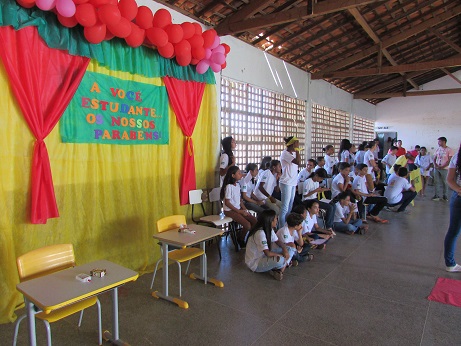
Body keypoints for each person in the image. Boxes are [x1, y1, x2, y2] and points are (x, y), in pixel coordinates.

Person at [245, 210, 295, 280]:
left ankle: (280, 270)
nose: (277, 221)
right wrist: (282, 255)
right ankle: (285, 263)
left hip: (263, 255)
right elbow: (268, 253)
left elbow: (277, 241)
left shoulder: (269, 229)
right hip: (255, 262)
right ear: (270, 221)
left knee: (290, 248)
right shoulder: (260, 233)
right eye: (275, 219)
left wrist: (284, 249)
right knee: (280, 260)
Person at [221, 166, 257, 247]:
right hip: (229, 211)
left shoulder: (237, 185)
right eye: (239, 173)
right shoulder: (229, 186)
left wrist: (244, 209)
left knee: (254, 221)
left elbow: (240, 200)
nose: (241, 174)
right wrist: (239, 211)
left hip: (238, 209)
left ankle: (248, 239)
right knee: (247, 225)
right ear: (233, 176)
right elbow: (227, 203)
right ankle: (241, 238)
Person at [443, 143, 461, 272]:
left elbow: (450, 180)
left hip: (458, 195)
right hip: (459, 196)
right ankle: (450, 264)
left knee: (453, 231)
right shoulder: (457, 157)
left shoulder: (457, 156)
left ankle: (450, 264)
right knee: (453, 231)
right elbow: (449, 179)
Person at [279, 136, 301, 228]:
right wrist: (297, 150)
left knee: (290, 205)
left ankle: (288, 225)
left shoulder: (293, 153)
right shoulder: (285, 153)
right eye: (296, 142)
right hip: (286, 182)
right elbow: (298, 162)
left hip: (292, 182)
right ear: (292, 144)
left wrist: (296, 151)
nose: (298, 144)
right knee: (284, 207)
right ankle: (281, 227)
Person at [433, 136, 455, 201]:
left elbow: (450, 160)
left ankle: (445, 196)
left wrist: (442, 166)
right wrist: (435, 165)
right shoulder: (438, 149)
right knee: (436, 181)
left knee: (445, 182)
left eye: (439, 141)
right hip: (436, 168)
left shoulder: (449, 150)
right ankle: (436, 195)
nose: (438, 143)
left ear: (444, 142)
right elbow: (434, 158)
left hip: (445, 168)